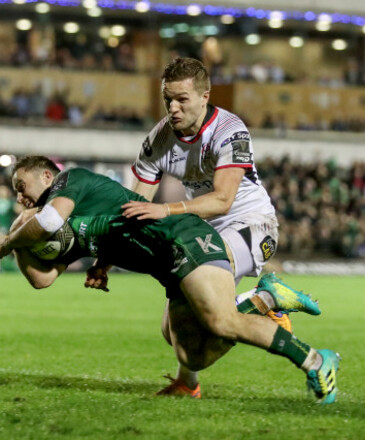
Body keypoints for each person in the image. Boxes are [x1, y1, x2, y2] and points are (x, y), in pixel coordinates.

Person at [0, 155, 341, 404]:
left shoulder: (72, 180)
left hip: (181, 236)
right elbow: (42, 279)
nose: (19, 197)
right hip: (169, 265)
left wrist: (9, 241)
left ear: (48, 177)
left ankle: (314, 360)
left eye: (22, 185)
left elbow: (49, 221)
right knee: (191, 354)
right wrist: (17, 242)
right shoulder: (69, 231)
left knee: (221, 321)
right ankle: (262, 300)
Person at [98, 57, 301, 395]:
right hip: (204, 231)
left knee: (207, 320)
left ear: (205, 96)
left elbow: (222, 200)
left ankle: (263, 302)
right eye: (168, 99)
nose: (173, 108)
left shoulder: (230, 131)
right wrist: (104, 259)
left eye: (182, 99)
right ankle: (188, 382)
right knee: (174, 333)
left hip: (251, 225)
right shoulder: (159, 138)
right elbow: (134, 207)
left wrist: (166, 210)